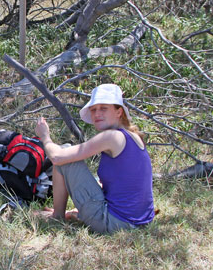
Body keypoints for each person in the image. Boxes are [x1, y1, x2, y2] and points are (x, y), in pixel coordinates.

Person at [34, 84, 154, 233]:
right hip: (140, 221)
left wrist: (45, 137)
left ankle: (57, 216)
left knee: (64, 154)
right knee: (68, 157)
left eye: (103, 108)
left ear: (119, 112)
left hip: (117, 224)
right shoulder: (132, 136)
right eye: (93, 109)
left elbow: (57, 158)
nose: (97, 114)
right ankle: (65, 213)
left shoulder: (111, 136)